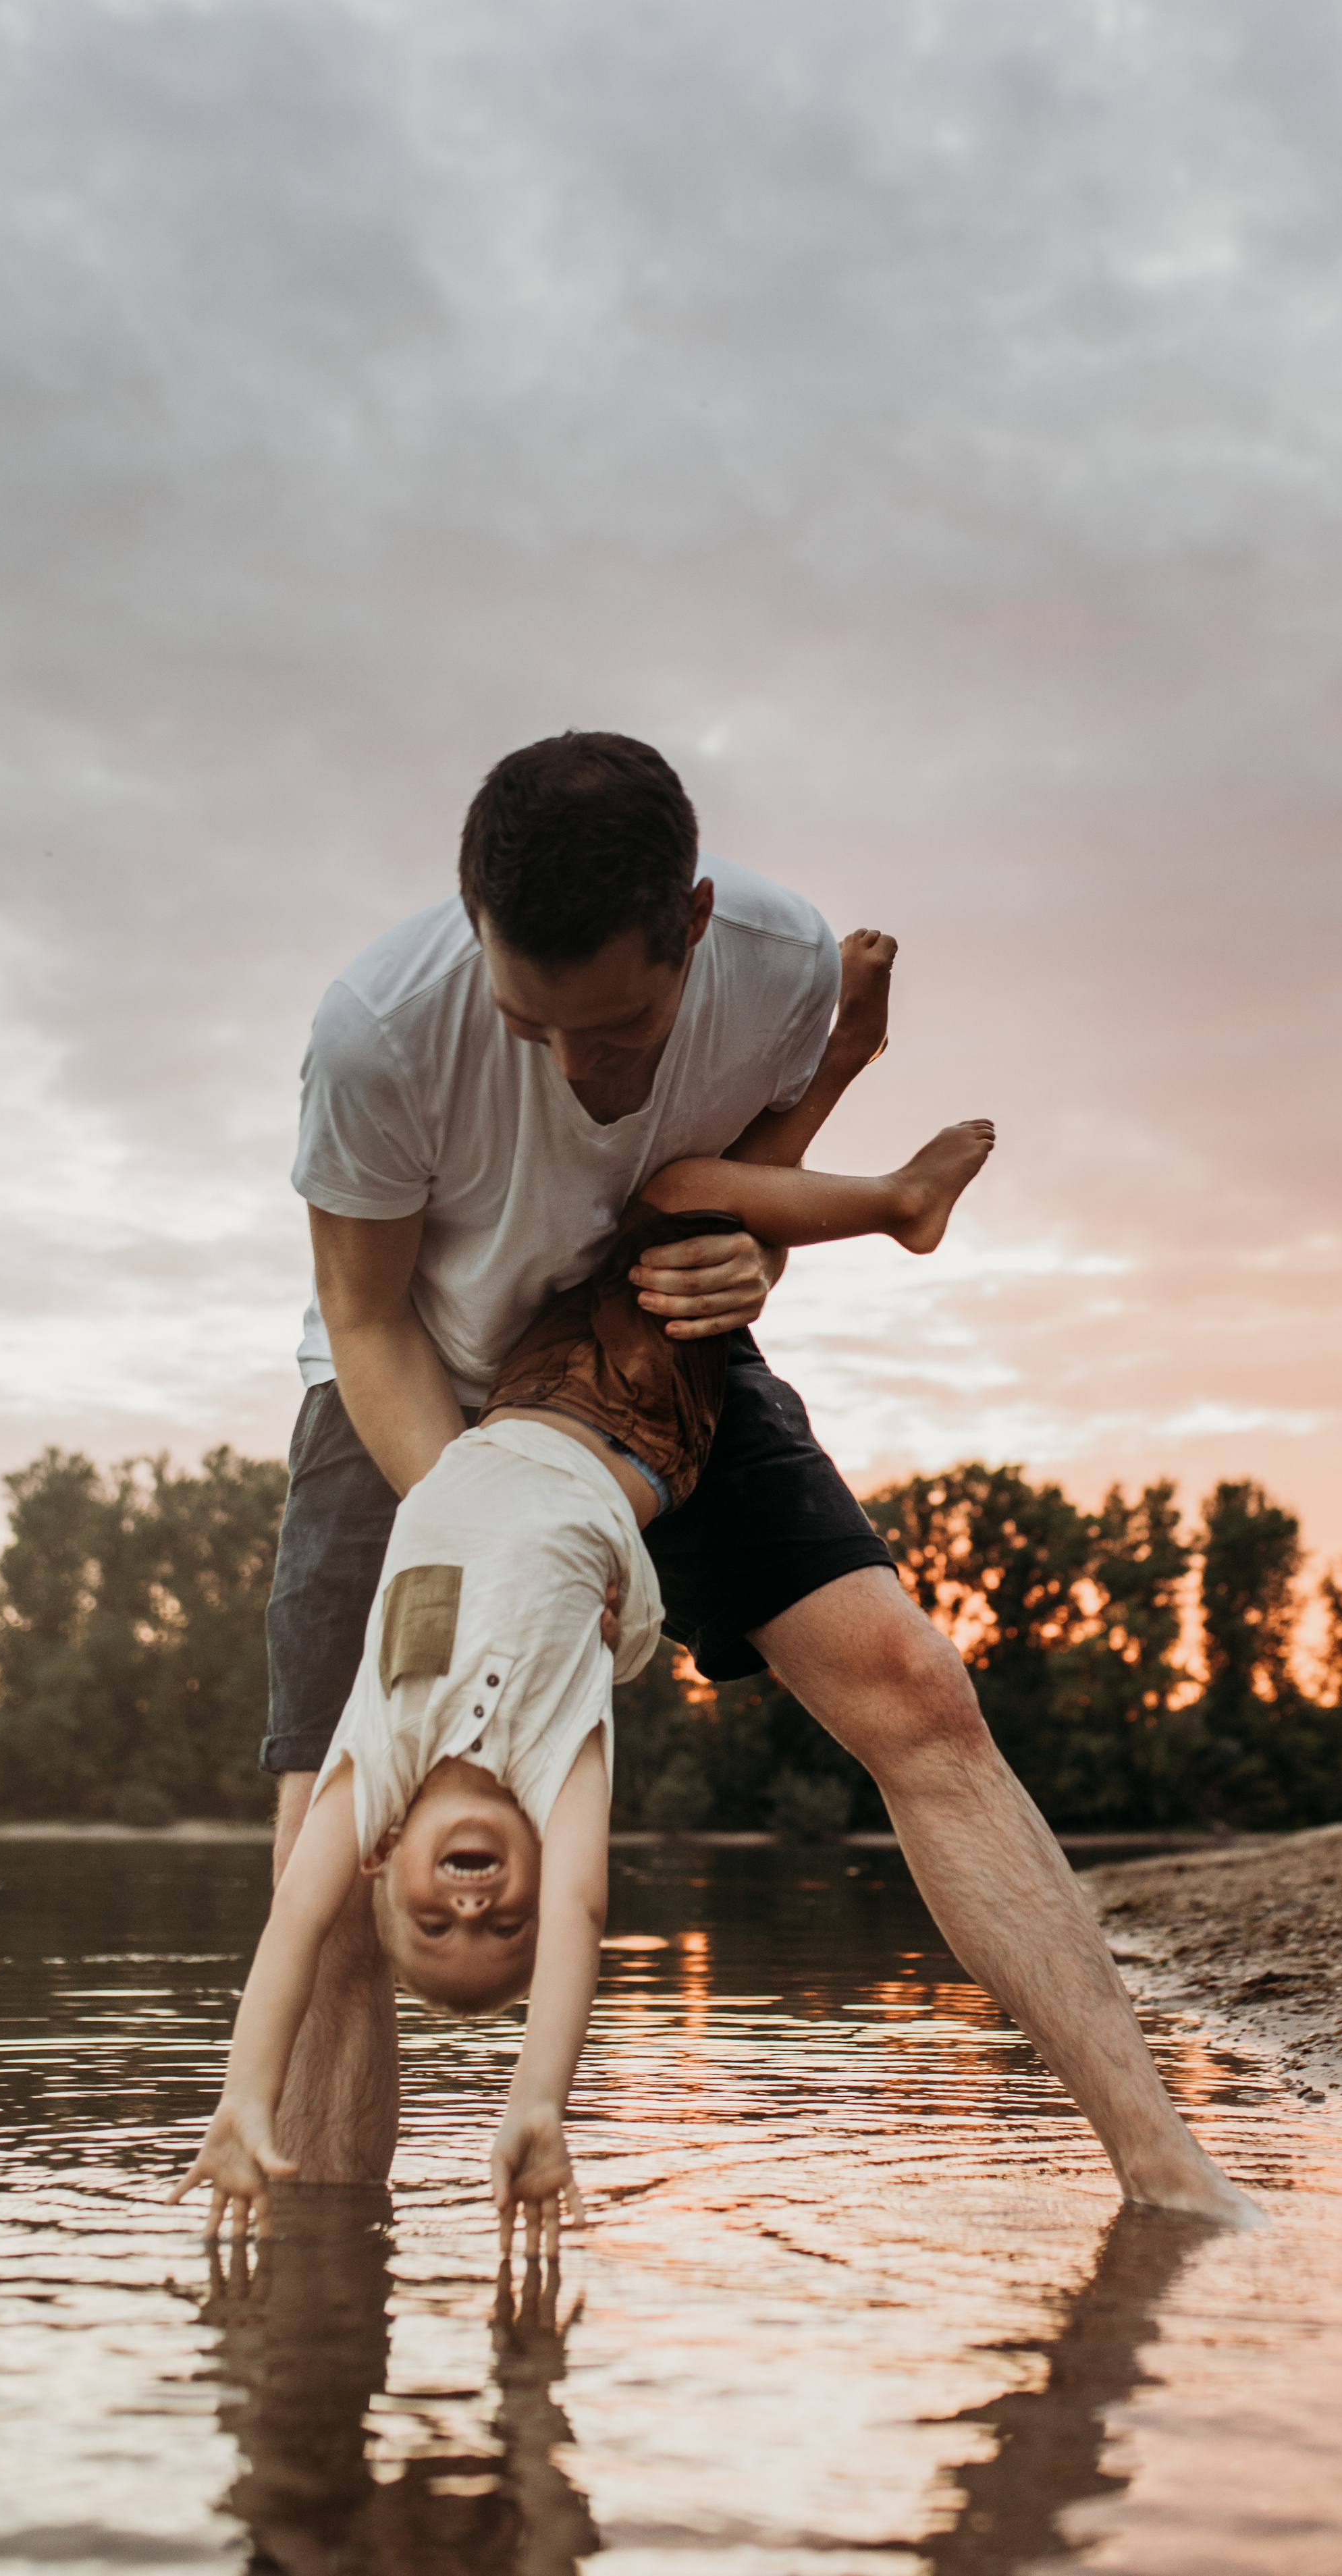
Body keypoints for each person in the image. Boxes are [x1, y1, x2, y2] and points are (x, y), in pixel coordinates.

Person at [263, 729, 1256, 2228]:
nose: (571, 1067)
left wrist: (757, 1260)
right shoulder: (375, 1034)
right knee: (331, 1875)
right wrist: (521, 1536)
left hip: (642, 1361)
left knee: (916, 1691)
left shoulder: (784, 963)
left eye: (612, 1030)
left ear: (695, 924)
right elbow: (362, 1318)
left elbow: (738, 1192)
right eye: (529, 1025)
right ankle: (313, 2320)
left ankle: (1170, 2176)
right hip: (418, 1395)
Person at [176, 941, 993, 2241]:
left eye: (435, 1929)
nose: (472, 1909)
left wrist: (241, 2097)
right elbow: (586, 1919)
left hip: (515, 1399)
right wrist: (537, 2103)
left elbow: (290, 1929)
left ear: (387, 1868)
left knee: (665, 1202)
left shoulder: (374, 1763)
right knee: (680, 1207)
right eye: (497, 1933)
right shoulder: (562, 1765)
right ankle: (887, 1181)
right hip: (641, 1429)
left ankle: (841, 1083)